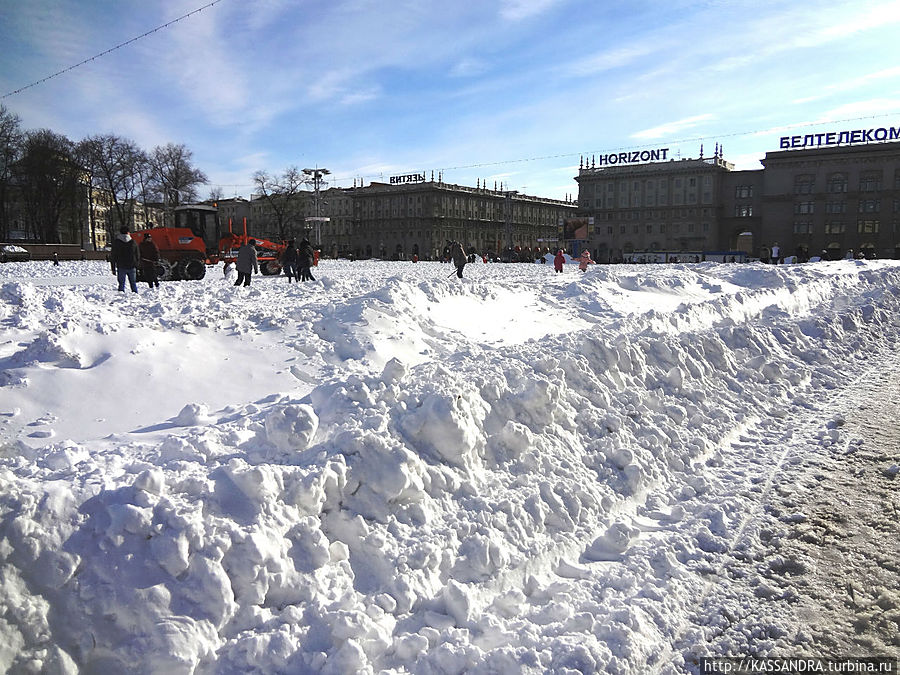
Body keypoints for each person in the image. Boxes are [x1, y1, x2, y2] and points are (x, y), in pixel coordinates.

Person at [110, 225, 140, 292]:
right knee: (133, 284)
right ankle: (136, 297)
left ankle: (121, 297)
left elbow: (113, 256)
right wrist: (137, 265)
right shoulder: (133, 242)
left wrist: (113, 268)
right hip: (132, 266)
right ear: (128, 232)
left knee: (121, 284)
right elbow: (137, 254)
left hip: (121, 266)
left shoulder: (116, 242)